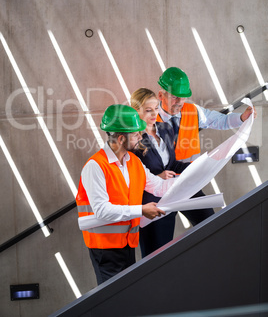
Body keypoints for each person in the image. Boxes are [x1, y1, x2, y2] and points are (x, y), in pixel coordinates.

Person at [76, 104, 176, 284]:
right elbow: (102, 210)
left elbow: (160, 187)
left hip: (128, 243)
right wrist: (141, 210)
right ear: (121, 138)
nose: (140, 136)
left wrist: (192, 177)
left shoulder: (134, 162)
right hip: (104, 248)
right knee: (113, 303)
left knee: (127, 296)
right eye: (136, 133)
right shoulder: (96, 166)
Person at [156, 67, 256, 224]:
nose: (179, 102)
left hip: (187, 183)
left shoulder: (193, 111)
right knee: (159, 242)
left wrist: (242, 118)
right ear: (161, 95)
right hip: (159, 189)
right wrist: (155, 178)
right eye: (175, 97)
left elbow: (219, 120)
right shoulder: (147, 118)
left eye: (183, 97)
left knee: (208, 226)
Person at [130, 88, 192, 257]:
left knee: (165, 255)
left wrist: (194, 167)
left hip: (169, 202)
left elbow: (171, 163)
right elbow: (130, 177)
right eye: (148, 110)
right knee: (153, 258)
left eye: (156, 108)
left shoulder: (165, 129)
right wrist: (157, 177)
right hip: (150, 207)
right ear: (136, 112)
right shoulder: (133, 139)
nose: (154, 114)